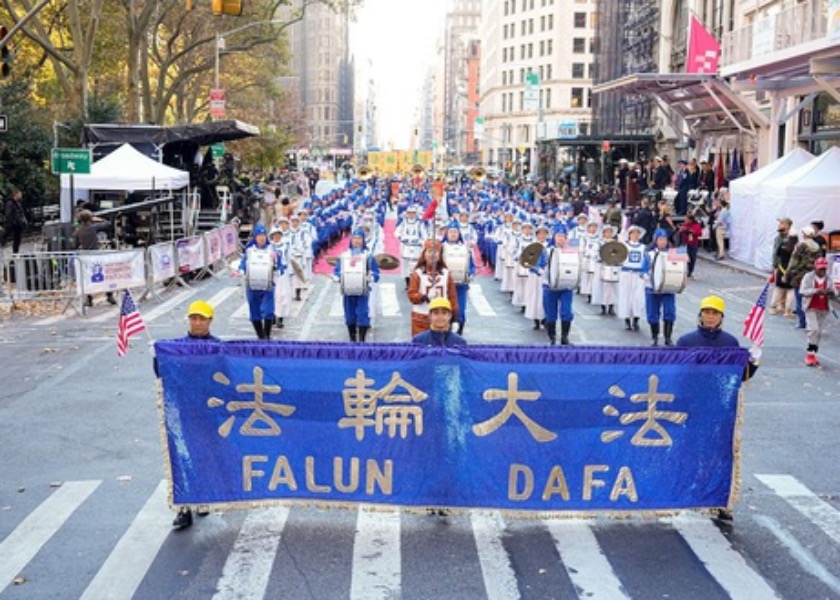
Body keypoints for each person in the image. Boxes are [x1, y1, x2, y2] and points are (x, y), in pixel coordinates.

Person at [160, 299, 220, 530]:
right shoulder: (176, 348)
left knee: (204, 457)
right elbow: (162, 372)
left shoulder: (218, 348)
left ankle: (202, 498)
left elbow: (227, 376)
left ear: (210, 321)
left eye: (201, 319)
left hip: (209, 413)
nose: (197, 323)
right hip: (183, 412)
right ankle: (184, 509)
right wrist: (159, 357)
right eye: (193, 318)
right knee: (182, 457)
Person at [332, 229, 380, 342]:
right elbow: (337, 270)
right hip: (348, 291)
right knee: (349, 315)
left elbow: (376, 273)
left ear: (363, 240)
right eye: (354, 238)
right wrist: (337, 276)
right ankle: (352, 339)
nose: (356, 241)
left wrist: (371, 277)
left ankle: (362, 340)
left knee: (363, 313)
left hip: (363, 291)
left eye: (359, 238)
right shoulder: (344, 256)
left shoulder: (368, 256)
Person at [534, 225, 579, 345]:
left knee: (566, 312)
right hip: (549, 286)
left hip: (566, 286)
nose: (560, 239)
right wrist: (540, 271)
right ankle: (552, 338)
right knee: (550, 312)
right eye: (558, 236)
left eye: (563, 236)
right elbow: (535, 265)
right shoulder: (545, 250)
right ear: (554, 237)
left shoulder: (571, 251)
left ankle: (565, 337)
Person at [239, 224, 284, 340]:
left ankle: (267, 336)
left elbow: (279, 264)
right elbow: (243, 263)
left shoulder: (272, 250)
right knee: (255, 312)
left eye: (263, 235)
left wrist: (278, 266)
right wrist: (241, 270)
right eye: (259, 235)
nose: (261, 238)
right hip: (252, 286)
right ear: (255, 237)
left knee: (268, 311)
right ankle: (260, 336)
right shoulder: (249, 251)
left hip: (267, 285)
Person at [407, 239, 459, 337]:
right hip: (421, 318)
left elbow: (452, 297)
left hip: (442, 318)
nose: (433, 255)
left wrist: (455, 318)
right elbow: (411, 295)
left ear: (440, 255)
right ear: (424, 254)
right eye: (430, 251)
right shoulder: (417, 273)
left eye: (436, 252)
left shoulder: (446, 274)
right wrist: (424, 297)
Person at [73, 210, 116, 307]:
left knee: (87, 277)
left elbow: (75, 245)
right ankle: (109, 295)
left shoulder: (78, 230)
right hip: (96, 255)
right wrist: (98, 219)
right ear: (90, 218)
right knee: (103, 275)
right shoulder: (93, 228)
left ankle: (89, 299)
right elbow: (108, 224)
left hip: (85, 256)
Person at [799, 257, 837, 367]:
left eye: (824, 269)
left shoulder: (828, 279)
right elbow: (803, 291)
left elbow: (834, 292)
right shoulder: (808, 277)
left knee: (819, 332)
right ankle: (809, 354)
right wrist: (816, 291)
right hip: (811, 307)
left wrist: (831, 293)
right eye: (820, 269)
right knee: (813, 329)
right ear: (815, 267)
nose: (822, 271)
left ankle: (813, 353)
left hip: (823, 308)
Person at [784, 226, 822, 329]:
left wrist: (786, 274)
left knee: (800, 299)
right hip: (812, 276)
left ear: (804, 234)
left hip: (799, 276)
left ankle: (802, 322)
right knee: (810, 300)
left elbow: (794, 262)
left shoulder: (801, 245)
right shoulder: (817, 246)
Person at [644, 229, 678, 346]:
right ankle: (654, 337)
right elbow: (644, 268)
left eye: (664, 239)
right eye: (660, 239)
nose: (663, 242)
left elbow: (682, 269)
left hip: (668, 287)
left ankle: (668, 337)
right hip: (652, 287)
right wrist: (646, 276)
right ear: (656, 240)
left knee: (670, 311)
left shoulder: (674, 253)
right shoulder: (649, 253)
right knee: (653, 313)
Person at [618, 225, 647, 332]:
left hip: (638, 275)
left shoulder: (643, 247)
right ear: (629, 234)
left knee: (638, 297)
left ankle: (636, 320)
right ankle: (626, 319)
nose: (635, 235)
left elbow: (646, 261)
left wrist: (645, 272)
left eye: (637, 233)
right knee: (626, 296)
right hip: (626, 274)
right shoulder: (624, 246)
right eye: (633, 233)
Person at [770, 218, 797, 317]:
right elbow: (775, 252)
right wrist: (774, 264)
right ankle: (780, 305)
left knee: (784, 288)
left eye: (782, 223)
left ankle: (783, 305)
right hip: (781, 265)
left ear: (787, 225)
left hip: (786, 266)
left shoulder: (789, 238)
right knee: (781, 287)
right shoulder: (779, 237)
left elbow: (777, 252)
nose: (779, 225)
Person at [678, 213, 702, 278]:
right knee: (683, 257)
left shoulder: (696, 225)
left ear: (691, 220)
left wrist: (690, 231)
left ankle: (690, 271)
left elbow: (699, 233)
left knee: (692, 258)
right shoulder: (684, 224)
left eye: (687, 219)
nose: (685, 221)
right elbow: (680, 230)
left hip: (693, 243)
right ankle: (683, 271)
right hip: (684, 243)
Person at [4, 188, 27, 254]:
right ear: (15, 194)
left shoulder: (18, 204)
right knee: (11, 240)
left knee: (17, 241)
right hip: (12, 226)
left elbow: (21, 214)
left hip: (18, 226)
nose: (21, 195)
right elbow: (9, 214)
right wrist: (13, 223)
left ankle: (15, 254)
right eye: (20, 194)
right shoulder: (10, 203)